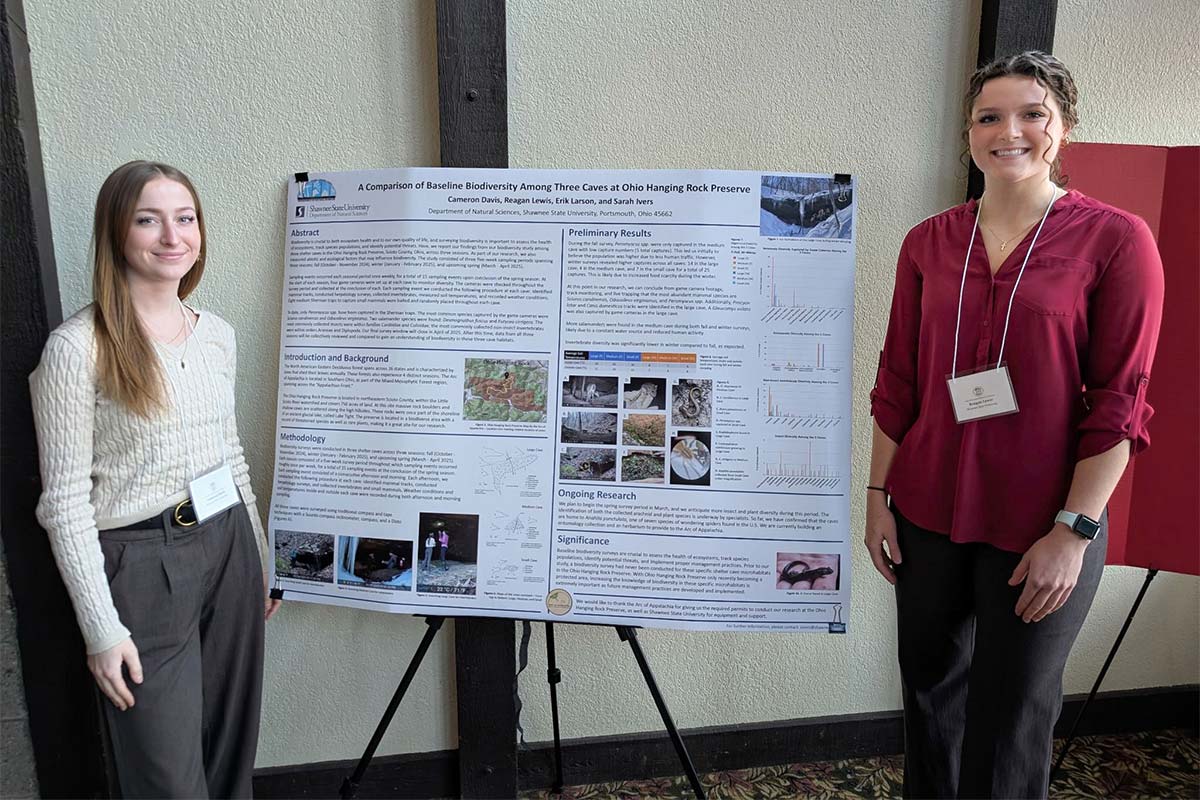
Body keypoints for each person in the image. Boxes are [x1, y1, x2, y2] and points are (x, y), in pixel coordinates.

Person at [866, 52, 1163, 798]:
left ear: (1063, 129)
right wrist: (877, 497)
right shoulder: (928, 242)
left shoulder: (1115, 239)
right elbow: (897, 382)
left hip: (1043, 522)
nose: (1010, 131)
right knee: (930, 703)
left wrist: (1075, 532)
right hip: (929, 509)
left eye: (1032, 113)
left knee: (1012, 719)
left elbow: (1120, 404)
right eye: (989, 117)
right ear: (969, 132)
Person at [30, 161, 282, 798]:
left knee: (231, 758)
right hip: (139, 567)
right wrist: (102, 629)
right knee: (166, 780)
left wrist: (258, 560)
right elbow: (63, 505)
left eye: (185, 218)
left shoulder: (216, 335)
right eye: (149, 219)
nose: (173, 236)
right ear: (117, 233)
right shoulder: (77, 347)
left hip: (226, 547)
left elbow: (228, 453)